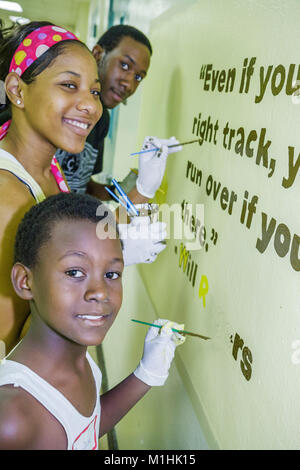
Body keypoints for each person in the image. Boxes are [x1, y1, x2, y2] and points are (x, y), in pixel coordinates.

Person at [0, 192, 185, 450]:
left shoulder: (81, 360)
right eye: (74, 272)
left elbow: (84, 428)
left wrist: (145, 375)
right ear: (25, 281)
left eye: (112, 273)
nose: (100, 291)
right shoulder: (12, 419)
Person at [0, 20, 102, 353]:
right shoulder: (8, 198)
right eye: (70, 85)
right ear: (17, 90)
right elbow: (15, 341)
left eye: (94, 90)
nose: (91, 105)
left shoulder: (45, 166)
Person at [55, 24, 182, 204]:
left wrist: (123, 190)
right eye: (124, 65)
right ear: (98, 55)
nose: (129, 84)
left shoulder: (101, 120)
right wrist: (141, 192)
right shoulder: (58, 106)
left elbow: (81, 185)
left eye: (138, 77)